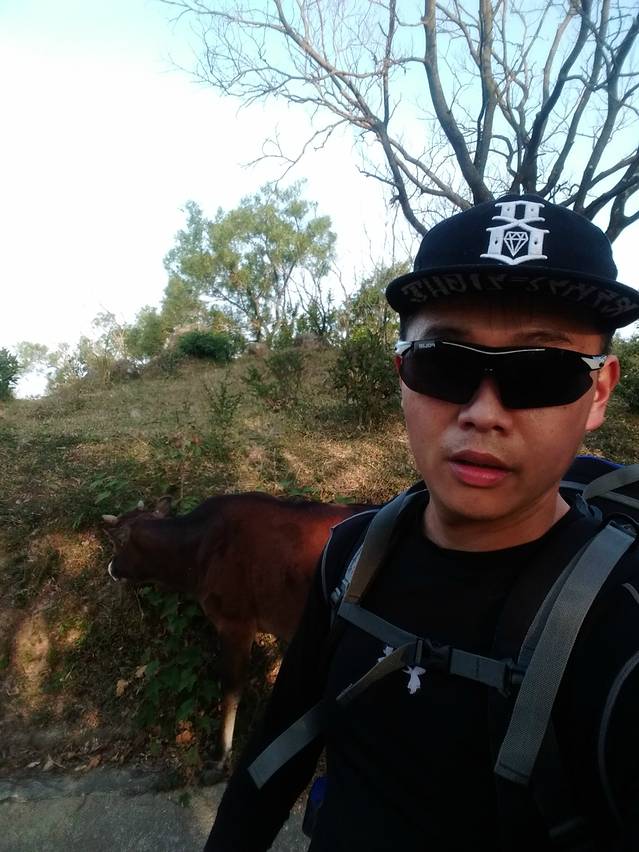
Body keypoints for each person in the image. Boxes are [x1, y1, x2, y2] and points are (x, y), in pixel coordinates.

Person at [204, 195, 639, 851]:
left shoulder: (624, 623)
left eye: (542, 371)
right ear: (402, 374)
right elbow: (273, 760)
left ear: (598, 392)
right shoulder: (351, 556)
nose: (483, 413)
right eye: (444, 361)